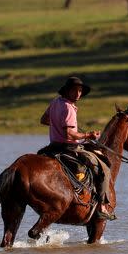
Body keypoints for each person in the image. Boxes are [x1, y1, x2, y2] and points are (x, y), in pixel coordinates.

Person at [40, 76, 116, 221]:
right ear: (67, 91)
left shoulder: (56, 102)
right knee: (104, 167)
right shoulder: (68, 107)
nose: (78, 94)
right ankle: (101, 206)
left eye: (80, 91)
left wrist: (57, 123)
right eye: (75, 90)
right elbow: (69, 134)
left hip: (53, 146)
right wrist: (89, 135)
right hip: (69, 147)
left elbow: (43, 120)